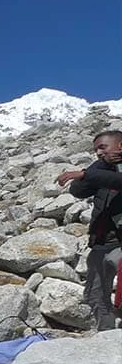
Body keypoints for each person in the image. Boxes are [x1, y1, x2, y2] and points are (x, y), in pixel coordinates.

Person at [58, 130, 122, 331]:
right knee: (95, 294)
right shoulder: (101, 171)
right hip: (101, 243)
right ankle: (107, 337)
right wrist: (100, 164)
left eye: (103, 147)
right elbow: (77, 190)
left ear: (120, 145)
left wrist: (86, 173)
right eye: (95, 150)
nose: (99, 152)